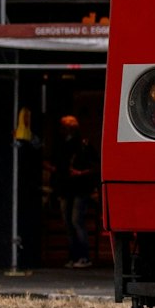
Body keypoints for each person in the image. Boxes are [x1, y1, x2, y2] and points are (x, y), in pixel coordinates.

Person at [48, 115, 98, 268]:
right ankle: (73, 256)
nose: (66, 128)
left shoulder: (83, 143)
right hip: (65, 187)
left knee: (76, 221)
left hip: (80, 187)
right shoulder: (60, 144)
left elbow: (95, 165)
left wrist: (80, 173)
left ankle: (83, 257)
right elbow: (54, 163)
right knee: (68, 223)